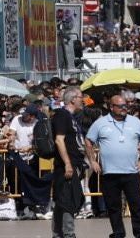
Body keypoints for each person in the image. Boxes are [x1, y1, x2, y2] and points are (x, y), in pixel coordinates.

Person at [87, 91, 140, 238]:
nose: (124, 108)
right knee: (113, 206)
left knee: (136, 205)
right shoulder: (101, 123)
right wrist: (92, 160)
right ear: (111, 107)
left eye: (126, 105)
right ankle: (118, 232)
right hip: (110, 172)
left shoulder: (134, 122)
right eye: (120, 106)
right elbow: (88, 141)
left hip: (131, 172)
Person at [50, 88, 86, 238]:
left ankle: (58, 233)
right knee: (67, 200)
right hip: (66, 165)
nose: (82, 100)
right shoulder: (62, 115)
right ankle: (68, 233)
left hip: (75, 163)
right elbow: (59, 140)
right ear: (72, 99)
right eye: (80, 97)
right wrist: (67, 163)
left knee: (63, 200)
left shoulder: (71, 117)